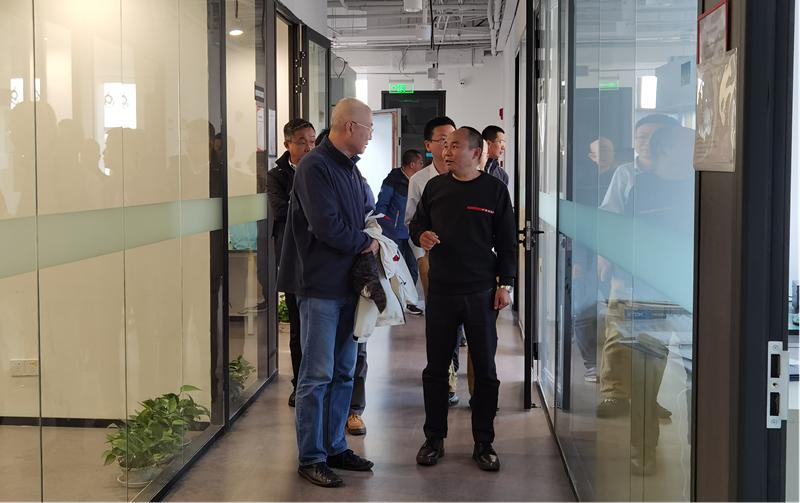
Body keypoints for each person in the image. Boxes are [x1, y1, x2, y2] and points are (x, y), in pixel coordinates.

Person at [277, 98, 376, 488]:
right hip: (320, 287)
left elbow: (364, 211)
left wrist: (374, 229)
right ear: (350, 127)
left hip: (349, 285)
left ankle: (335, 446)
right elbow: (326, 226)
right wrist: (366, 242)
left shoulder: (350, 168)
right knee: (316, 375)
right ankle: (312, 457)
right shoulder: (315, 166)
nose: (370, 136)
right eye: (368, 128)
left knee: (343, 372)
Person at [410, 127, 516, 472]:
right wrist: (421, 235)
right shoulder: (435, 187)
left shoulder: (494, 190)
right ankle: (434, 438)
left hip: (481, 292)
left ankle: (484, 442)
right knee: (436, 369)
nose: (446, 151)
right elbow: (416, 226)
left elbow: (507, 243)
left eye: (455, 146)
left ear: (476, 152)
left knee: (485, 369)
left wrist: (506, 284)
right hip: (441, 290)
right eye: (445, 145)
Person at [405, 116, 463, 406]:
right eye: (442, 139)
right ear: (429, 146)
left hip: (465, 262)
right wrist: (422, 246)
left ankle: (455, 370)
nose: (448, 145)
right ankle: (446, 375)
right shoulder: (419, 180)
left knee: (461, 320)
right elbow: (411, 222)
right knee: (441, 319)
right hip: (431, 259)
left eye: (453, 139)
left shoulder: (469, 175)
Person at [266, 118, 316, 407]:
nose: (309, 147)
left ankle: (318, 381)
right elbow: (281, 210)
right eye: (301, 142)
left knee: (318, 325)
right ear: (287, 145)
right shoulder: (277, 176)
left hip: (318, 256)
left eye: (312, 141)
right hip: (291, 256)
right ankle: (300, 383)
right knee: (298, 324)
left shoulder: (321, 168)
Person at [375, 148, 426, 315]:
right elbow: (381, 206)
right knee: (395, 268)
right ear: (412, 164)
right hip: (394, 233)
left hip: (412, 232)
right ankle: (395, 300)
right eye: (420, 162)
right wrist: (386, 228)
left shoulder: (418, 181)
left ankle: (410, 301)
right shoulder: (393, 181)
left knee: (413, 266)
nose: (422, 165)